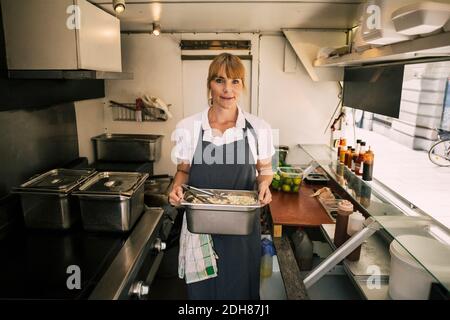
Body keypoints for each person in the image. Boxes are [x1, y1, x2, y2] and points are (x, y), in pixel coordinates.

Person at [169, 53, 275, 300]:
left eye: (235, 81)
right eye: (220, 80)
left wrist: (265, 187)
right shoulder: (189, 127)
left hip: (242, 231)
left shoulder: (259, 128)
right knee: (203, 293)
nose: (228, 89)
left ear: (243, 85)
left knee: (239, 291)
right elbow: (183, 171)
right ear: (210, 84)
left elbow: (265, 171)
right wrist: (175, 188)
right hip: (200, 228)